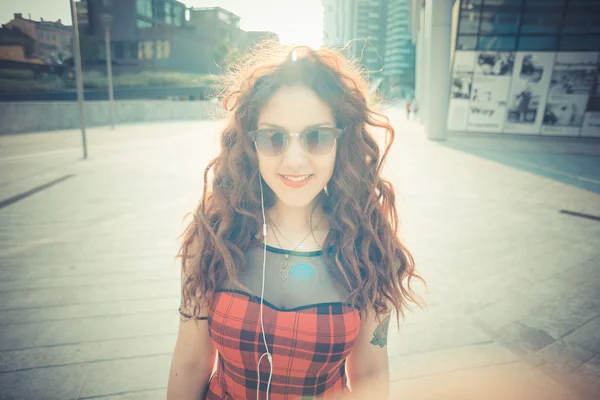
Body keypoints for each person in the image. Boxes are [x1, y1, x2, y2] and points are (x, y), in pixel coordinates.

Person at [167, 42, 426, 400]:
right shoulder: (214, 234)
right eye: (273, 138)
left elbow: (370, 373)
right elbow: (191, 364)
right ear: (250, 144)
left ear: (342, 141)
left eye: (316, 137)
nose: (294, 160)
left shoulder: (366, 247)